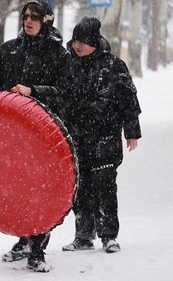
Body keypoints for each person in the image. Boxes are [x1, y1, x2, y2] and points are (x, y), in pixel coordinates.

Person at [0, 0, 70, 273]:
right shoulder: (8, 51)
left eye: (34, 17)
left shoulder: (58, 55)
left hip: (45, 136)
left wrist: (33, 91)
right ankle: (23, 239)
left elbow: (66, 94)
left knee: (41, 192)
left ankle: (37, 249)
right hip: (12, 136)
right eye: (25, 16)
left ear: (45, 21)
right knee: (17, 189)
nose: (28, 21)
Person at [61, 17, 142, 253]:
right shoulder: (68, 66)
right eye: (75, 40)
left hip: (104, 140)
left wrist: (132, 133)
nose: (77, 46)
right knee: (80, 188)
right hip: (76, 139)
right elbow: (60, 98)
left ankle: (109, 235)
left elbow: (129, 102)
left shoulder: (114, 67)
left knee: (105, 187)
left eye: (83, 42)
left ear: (95, 42)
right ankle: (83, 235)